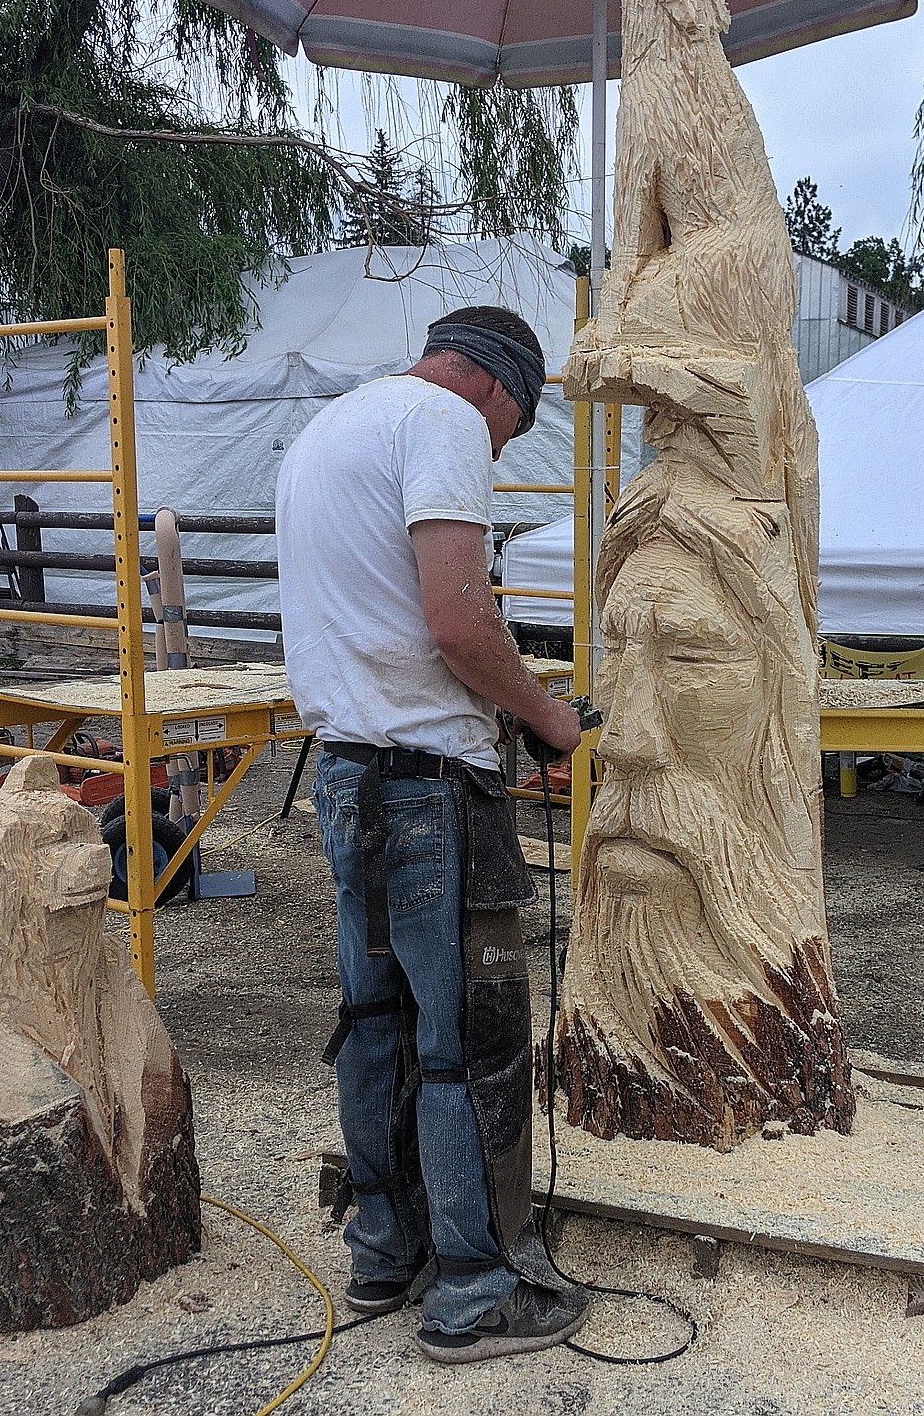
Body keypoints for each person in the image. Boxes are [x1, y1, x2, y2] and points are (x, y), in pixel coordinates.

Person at [276, 306, 587, 1364]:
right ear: (501, 391)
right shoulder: (447, 424)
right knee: (467, 1034)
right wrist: (548, 718)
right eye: (511, 435)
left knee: (376, 1017)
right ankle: (471, 1288)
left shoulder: (329, 429)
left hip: (348, 771)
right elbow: (458, 619)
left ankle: (383, 1246)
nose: (497, 453)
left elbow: (391, 622)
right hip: (427, 789)